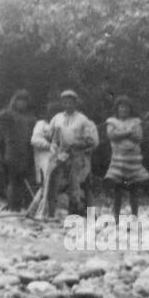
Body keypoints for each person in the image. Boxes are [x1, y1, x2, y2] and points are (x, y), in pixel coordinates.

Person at [48, 88, 98, 216]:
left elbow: (91, 140)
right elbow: (50, 136)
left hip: (78, 157)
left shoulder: (82, 119)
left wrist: (78, 144)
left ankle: (85, 213)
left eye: (71, 102)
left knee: (82, 184)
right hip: (61, 156)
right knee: (54, 182)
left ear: (75, 103)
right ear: (62, 103)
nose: (68, 105)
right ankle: (50, 212)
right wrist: (54, 148)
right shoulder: (57, 118)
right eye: (65, 102)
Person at [104, 95, 149, 219]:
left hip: (133, 161)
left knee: (134, 190)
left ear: (130, 109)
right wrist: (129, 133)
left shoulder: (136, 121)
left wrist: (121, 134)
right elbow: (111, 136)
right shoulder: (111, 121)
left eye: (127, 108)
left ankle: (134, 216)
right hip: (118, 160)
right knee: (117, 190)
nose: (124, 110)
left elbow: (139, 137)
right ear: (117, 109)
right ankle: (116, 219)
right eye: (121, 107)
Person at [0, 88, 35, 211]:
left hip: (25, 152)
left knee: (23, 180)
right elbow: (3, 133)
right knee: (13, 180)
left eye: (24, 101)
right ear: (14, 101)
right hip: (12, 152)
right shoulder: (8, 114)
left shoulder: (29, 118)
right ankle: (13, 206)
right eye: (19, 100)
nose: (22, 103)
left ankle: (21, 206)